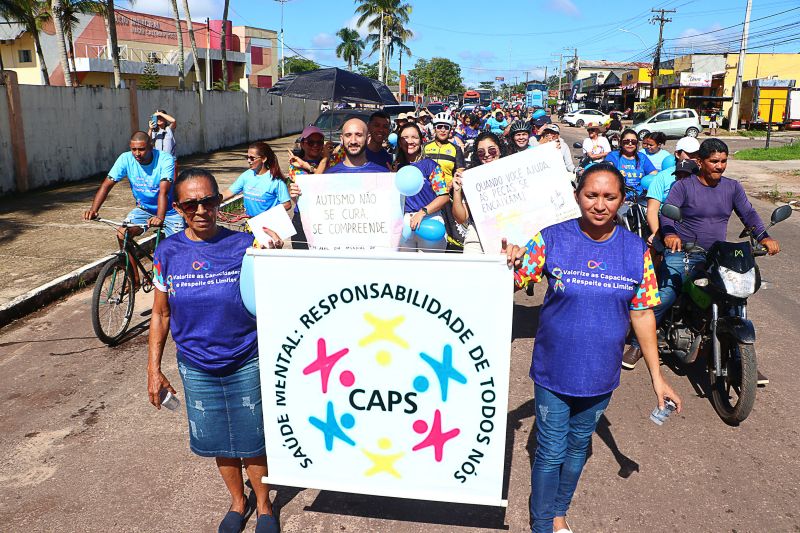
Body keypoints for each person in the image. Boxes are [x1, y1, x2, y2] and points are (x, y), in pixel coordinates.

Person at [505, 163, 682, 533]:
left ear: (621, 200)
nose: (599, 205)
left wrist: (657, 379)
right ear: (577, 197)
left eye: (609, 197)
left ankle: (558, 513)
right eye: (591, 195)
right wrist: (509, 261)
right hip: (553, 370)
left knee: (577, 448)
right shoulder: (551, 239)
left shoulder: (636, 251)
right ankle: (541, 526)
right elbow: (514, 284)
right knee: (551, 450)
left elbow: (643, 314)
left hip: (601, 374)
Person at [147, 168, 281, 533]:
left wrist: (277, 251)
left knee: (252, 438)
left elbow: (275, 287)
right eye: (191, 204)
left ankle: (266, 507)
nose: (201, 210)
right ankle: (239, 503)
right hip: (196, 364)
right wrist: (153, 369)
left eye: (208, 201)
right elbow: (160, 313)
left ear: (220, 201)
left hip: (245, 358)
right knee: (219, 440)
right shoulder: (167, 251)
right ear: (178, 208)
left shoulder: (242, 245)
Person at [623, 138, 781, 382]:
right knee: (665, 295)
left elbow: (748, 213)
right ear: (700, 161)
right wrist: (671, 234)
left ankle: (742, 360)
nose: (719, 166)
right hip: (684, 251)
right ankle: (636, 343)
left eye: (723, 161)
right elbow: (667, 214)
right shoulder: (683, 186)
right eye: (714, 161)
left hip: (716, 254)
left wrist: (764, 237)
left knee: (735, 297)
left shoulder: (732, 187)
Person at [84, 131, 184, 256]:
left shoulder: (165, 159)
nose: (137, 153)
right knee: (122, 234)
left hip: (170, 211)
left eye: (141, 149)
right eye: (134, 149)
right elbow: (106, 185)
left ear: (151, 147)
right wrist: (94, 209)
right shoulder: (125, 159)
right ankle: (133, 275)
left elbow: (164, 192)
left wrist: (159, 217)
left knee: (178, 251)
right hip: (144, 209)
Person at [395, 123, 449, 252]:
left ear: (421, 140)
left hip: (429, 220)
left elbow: (444, 196)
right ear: (400, 142)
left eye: (414, 137)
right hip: (404, 224)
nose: (410, 141)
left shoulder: (431, 166)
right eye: (405, 137)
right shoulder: (396, 167)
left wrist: (422, 212)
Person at [452, 131, 507, 254]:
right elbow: (461, 218)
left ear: (500, 150)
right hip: (477, 237)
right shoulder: (471, 178)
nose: (487, 155)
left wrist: (553, 150)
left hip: (509, 234)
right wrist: (457, 191)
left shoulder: (512, 170)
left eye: (492, 150)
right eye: (481, 152)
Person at [286, 126, 336, 249]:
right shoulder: (295, 165)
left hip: (327, 217)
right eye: (310, 142)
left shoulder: (332, 161)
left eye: (319, 142)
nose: (315, 145)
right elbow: (313, 186)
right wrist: (324, 160)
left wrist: (311, 166)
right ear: (302, 144)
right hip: (303, 219)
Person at [644, 136, 701, 238]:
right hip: (666, 226)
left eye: (696, 154)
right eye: (690, 154)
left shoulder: (702, 176)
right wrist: (656, 235)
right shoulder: (662, 177)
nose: (694, 157)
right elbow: (652, 210)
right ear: (677, 154)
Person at [222, 141, 291, 217]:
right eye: (247, 157)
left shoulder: (276, 180)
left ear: (264, 159)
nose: (249, 161)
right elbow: (229, 192)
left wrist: (266, 215)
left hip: (269, 224)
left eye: (252, 158)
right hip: (250, 223)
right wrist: (212, 200)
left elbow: (287, 204)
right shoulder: (246, 175)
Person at [325, 118, 391, 174]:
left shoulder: (382, 174)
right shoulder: (330, 175)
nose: (353, 141)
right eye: (348, 135)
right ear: (342, 140)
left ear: (368, 139)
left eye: (359, 135)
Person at [605, 129, 657, 194]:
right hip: (619, 196)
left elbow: (653, 173)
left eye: (633, 142)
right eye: (626, 141)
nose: (630, 144)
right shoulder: (613, 156)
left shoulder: (642, 157)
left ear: (637, 143)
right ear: (621, 142)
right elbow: (606, 172)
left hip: (639, 197)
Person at [423, 112, 464, 187]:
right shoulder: (425, 147)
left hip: (448, 191)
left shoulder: (456, 149)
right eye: (439, 127)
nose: (443, 130)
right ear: (435, 129)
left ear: (450, 130)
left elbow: (460, 172)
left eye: (446, 127)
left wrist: (450, 186)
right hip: (427, 192)